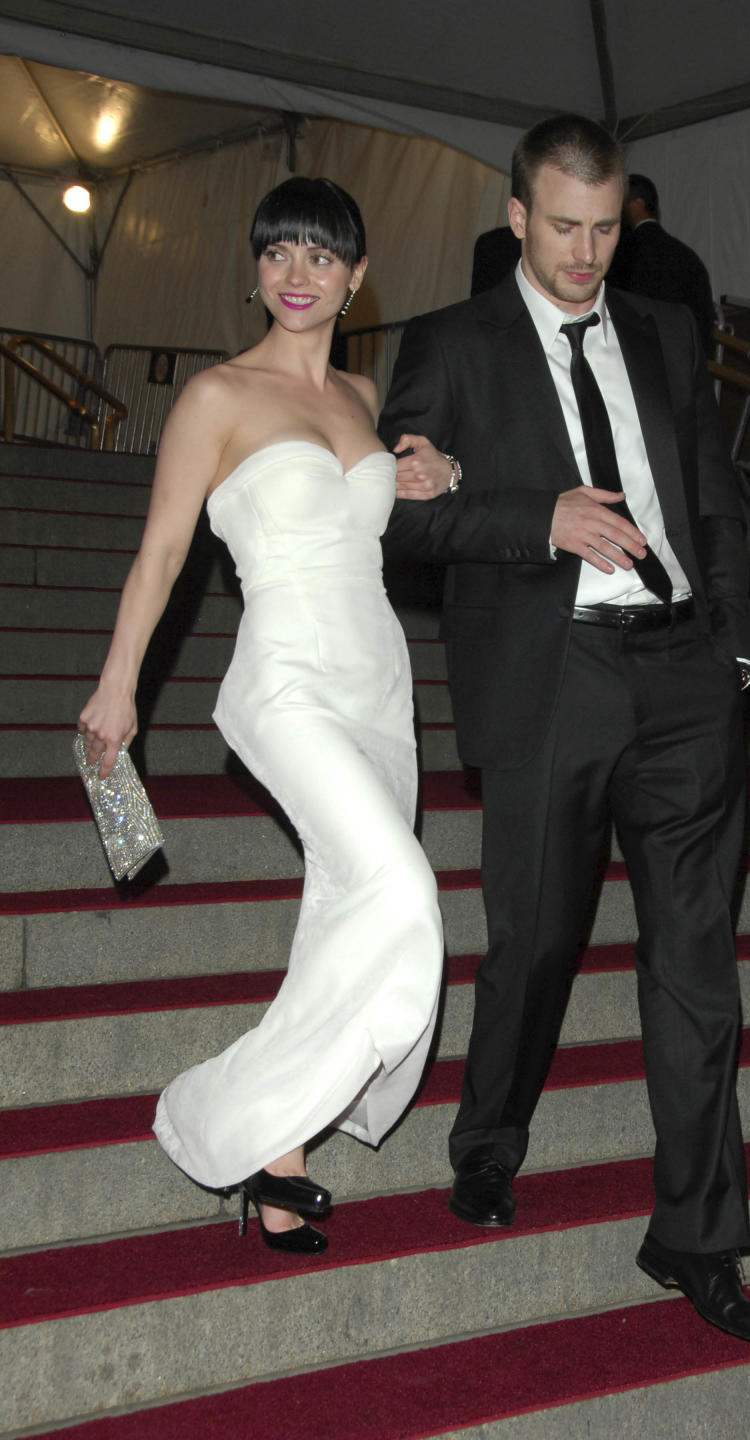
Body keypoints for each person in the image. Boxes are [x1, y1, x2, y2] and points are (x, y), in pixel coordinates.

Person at [379, 115, 750, 1352]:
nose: (585, 252)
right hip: (551, 676)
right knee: (537, 943)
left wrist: (733, 648)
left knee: (697, 976)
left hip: (681, 682)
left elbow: (711, 495)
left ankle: (699, 1238)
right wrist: (534, 518)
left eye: (606, 229)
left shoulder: (664, 331)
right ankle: (490, 1140)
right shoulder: (450, 345)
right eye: (563, 226)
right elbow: (402, 527)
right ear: (516, 216)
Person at [78, 177, 444, 1255]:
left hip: (380, 680)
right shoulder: (216, 398)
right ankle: (221, 1119)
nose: (296, 275)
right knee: (401, 890)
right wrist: (118, 681)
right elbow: (164, 551)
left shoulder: (365, 395)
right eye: (278, 252)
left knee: (344, 908)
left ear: (356, 278)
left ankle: (281, 1165)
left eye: (320, 257)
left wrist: (435, 466)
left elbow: (381, 503)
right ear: (255, 268)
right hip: (280, 680)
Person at [606, 173, 716, 356]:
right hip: (693, 359)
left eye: (619, 204)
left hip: (649, 359)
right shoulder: (687, 255)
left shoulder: (627, 253)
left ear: (637, 205)